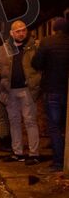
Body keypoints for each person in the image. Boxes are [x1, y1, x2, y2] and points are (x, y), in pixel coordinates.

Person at [0, 20, 41, 165]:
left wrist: (37, 81)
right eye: (17, 31)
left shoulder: (33, 47)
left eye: (23, 30)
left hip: (27, 91)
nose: (21, 33)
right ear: (12, 33)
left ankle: (34, 154)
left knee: (30, 121)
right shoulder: (4, 49)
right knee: (14, 122)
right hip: (10, 91)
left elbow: (41, 66)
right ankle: (17, 152)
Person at [31, 17, 69, 173]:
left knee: (54, 126)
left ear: (54, 28)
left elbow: (36, 64)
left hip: (52, 89)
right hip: (67, 89)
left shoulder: (47, 42)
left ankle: (58, 162)